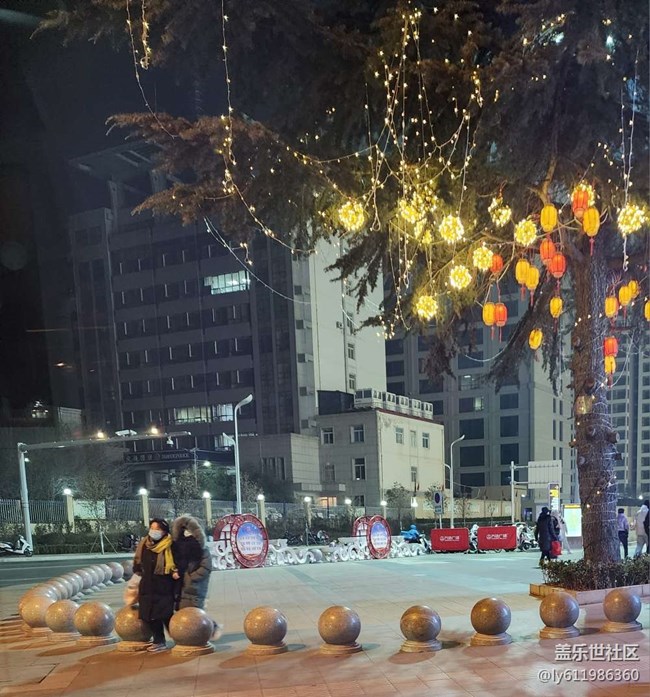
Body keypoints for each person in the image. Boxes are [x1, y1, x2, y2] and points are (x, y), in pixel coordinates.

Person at [172, 515, 222, 639]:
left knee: (196, 611)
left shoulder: (201, 549)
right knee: (183, 611)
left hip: (195, 586)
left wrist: (191, 577)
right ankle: (189, 634)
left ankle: (210, 628)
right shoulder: (177, 548)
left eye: (189, 530)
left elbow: (206, 567)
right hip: (180, 586)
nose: (186, 533)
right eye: (184, 530)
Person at [133, 518, 179, 653]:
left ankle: (182, 637)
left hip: (164, 585)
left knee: (165, 615)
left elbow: (177, 563)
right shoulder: (144, 544)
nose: (154, 531)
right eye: (152, 528)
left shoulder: (171, 545)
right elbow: (138, 562)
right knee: (149, 615)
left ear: (164, 531)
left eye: (157, 529)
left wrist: (175, 572)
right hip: (147, 585)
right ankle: (159, 641)